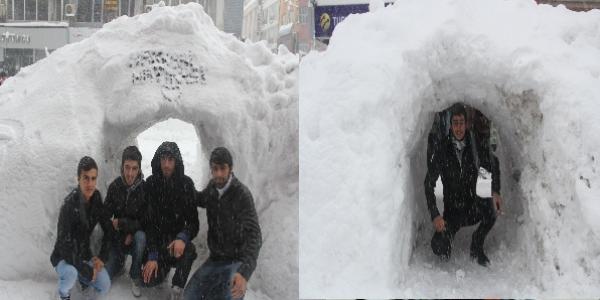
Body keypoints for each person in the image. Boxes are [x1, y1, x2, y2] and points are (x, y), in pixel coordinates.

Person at [424, 103, 502, 266]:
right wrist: (435, 215)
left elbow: (491, 162)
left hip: (473, 205)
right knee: (439, 246)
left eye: (461, 122)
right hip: (453, 211)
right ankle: (449, 238)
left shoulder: (475, 144)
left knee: (492, 210)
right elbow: (428, 183)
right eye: (455, 123)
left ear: (466, 124)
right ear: (450, 125)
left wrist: (494, 191)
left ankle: (477, 243)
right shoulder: (442, 149)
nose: (458, 128)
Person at [184, 147, 262, 300]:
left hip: (236, 261)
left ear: (230, 169)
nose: (219, 174)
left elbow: (255, 236)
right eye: (215, 169)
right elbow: (201, 199)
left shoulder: (242, 195)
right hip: (215, 260)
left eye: (223, 168)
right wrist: (185, 186)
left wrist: (244, 273)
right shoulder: (213, 188)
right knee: (189, 296)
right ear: (211, 170)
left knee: (230, 296)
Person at [142, 142, 199, 300]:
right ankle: (162, 269)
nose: (166, 165)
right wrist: (152, 254)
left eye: (170, 160)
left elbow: (194, 223)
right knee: (146, 281)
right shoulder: (151, 184)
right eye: (163, 159)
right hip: (157, 245)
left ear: (176, 162)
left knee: (190, 250)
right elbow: (149, 223)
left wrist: (183, 237)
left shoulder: (186, 185)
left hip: (175, 245)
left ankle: (177, 288)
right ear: (158, 161)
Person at [50, 156, 113, 300]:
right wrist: (84, 269)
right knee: (71, 273)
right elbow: (63, 245)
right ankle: (63, 293)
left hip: (84, 254)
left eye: (93, 178)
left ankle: (84, 287)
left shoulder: (96, 198)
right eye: (86, 178)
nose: (90, 183)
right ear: (78, 179)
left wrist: (102, 257)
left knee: (105, 285)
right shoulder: (69, 205)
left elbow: (109, 229)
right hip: (63, 257)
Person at [104, 146, 146, 297]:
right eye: (127, 167)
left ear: (139, 169)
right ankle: (119, 262)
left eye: (134, 168)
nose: (130, 173)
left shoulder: (144, 190)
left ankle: (135, 275)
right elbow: (105, 216)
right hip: (118, 239)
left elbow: (145, 222)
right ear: (122, 167)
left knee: (141, 236)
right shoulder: (115, 187)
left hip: (135, 240)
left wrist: (124, 225)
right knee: (104, 278)